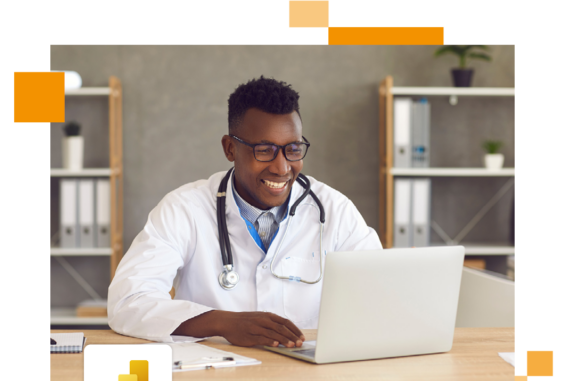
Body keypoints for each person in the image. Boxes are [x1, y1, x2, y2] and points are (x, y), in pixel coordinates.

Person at [108, 76, 382, 347]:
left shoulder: (335, 211)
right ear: (230, 148)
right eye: (265, 150)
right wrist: (223, 323)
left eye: (293, 149)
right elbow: (128, 302)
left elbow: (381, 296)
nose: (282, 167)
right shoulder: (184, 210)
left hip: (308, 376)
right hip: (215, 376)